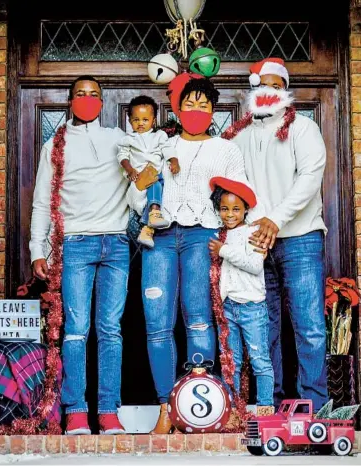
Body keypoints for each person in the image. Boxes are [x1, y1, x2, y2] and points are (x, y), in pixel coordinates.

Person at [127, 72, 262, 433]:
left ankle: (195, 402)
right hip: (160, 238)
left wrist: (256, 231)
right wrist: (143, 198)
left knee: (199, 318)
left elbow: (243, 195)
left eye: (204, 105)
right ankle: (164, 407)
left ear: (213, 110)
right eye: (190, 104)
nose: (197, 110)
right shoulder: (162, 145)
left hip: (203, 238)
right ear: (178, 108)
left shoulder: (226, 150)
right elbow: (137, 193)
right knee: (157, 323)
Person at [222, 58, 328, 411]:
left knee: (308, 326)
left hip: (299, 237)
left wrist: (275, 220)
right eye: (260, 85)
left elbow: (310, 178)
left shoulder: (303, 129)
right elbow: (234, 187)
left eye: (274, 85)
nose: (266, 91)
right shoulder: (239, 136)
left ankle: (314, 409)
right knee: (261, 328)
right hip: (255, 244)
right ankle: (273, 406)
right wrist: (253, 225)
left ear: (285, 90)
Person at [30, 75, 130, 435]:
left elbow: (152, 157)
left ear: (103, 102)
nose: (88, 99)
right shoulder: (54, 145)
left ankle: (108, 411)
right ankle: (75, 411)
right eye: (80, 94)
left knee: (110, 329)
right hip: (75, 244)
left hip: (116, 244)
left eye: (94, 95)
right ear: (69, 101)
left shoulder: (119, 139)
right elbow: (43, 201)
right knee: (76, 331)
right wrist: (36, 250)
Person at [208, 177, 274, 414]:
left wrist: (223, 251)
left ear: (246, 209)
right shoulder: (221, 234)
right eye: (224, 209)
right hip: (228, 308)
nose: (230, 214)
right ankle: (233, 412)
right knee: (230, 362)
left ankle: (266, 408)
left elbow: (255, 264)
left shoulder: (254, 232)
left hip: (252, 307)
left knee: (260, 360)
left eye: (236, 209)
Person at [117, 95, 180, 248]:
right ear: (130, 121)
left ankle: (147, 228)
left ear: (153, 120)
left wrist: (174, 161)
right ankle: (153, 215)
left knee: (156, 187)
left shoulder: (159, 136)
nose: (140, 123)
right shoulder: (127, 139)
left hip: (155, 174)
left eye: (145, 119)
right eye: (136, 119)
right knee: (152, 190)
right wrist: (130, 170)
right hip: (139, 175)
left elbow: (168, 149)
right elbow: (122, 157)